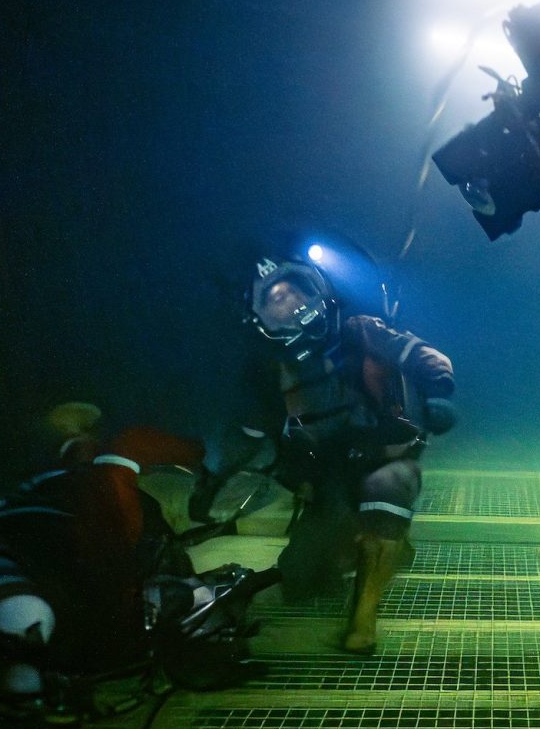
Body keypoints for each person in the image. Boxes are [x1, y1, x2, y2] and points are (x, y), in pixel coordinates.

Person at [0, 405, 273, 722]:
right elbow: (133, 450)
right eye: (73, 433)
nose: (82, 439)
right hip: (80, 600)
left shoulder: (63, 492)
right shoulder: (102, 477)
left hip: (67, 601)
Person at [193, 255, 457, 654]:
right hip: (326, 477)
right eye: (276, 299)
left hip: (385, 457)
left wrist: (437, 394)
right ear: (259, 316)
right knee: (303, 578)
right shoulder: (268, 370)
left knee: (386, 493)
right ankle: (381, 547)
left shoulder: (360, 331)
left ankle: (363, 621)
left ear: (318, 290)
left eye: (297, 289)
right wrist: (215, 482)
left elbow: (426, 356)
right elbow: (247, 438)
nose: (292, 302)